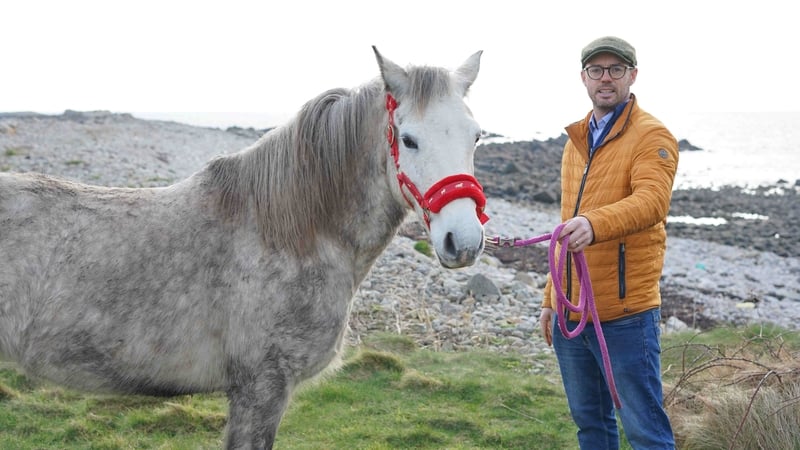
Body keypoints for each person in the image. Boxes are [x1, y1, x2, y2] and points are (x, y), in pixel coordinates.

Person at [539, 36, 678, 449]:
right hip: (572, 313)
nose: (606, 78)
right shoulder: (575, 141)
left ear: (632, 76)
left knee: (645, 432)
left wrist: (594, 224)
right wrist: (551, 298)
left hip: (625, 315)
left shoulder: (652, 136)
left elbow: (652, 202)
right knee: (592, 429)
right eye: (596, 70)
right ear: (583, 77)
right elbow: (566, 227)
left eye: (616, 70)